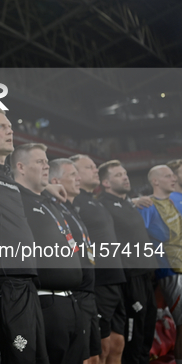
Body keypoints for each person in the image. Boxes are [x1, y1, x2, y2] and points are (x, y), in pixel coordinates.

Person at [13, 144, 84, 364]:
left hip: (72, 300)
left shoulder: (48, 202)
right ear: (21, 168)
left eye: (46, 161)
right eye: (39, 162)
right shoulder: (15, 199)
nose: (46, 166)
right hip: (45, 301)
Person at [96, 160, 157, 364]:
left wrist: (134, 200)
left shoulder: (128, 202)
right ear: (105, 182)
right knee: (134, 333)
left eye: (125, 173)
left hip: (147, 276)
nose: (125, 176)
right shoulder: (102, 205)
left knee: (148, 329)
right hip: (130, 278)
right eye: (118, 174)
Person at [71, 155, 126, 364]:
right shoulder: (74, 202)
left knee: (118, 342)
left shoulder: (96, 202)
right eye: (89, 167)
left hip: (116, 279)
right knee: (100, 348)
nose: (95, 170)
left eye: (95, 167)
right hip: (99, 280)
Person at [49, 158, 99, 364]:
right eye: (72, 175)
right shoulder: (53, 209)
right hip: (75, 293)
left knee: (95, 356)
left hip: (89, 291)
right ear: (55, 181)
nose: (78, 178)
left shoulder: (71, 208)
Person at [139, 165, 182, 363]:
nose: (172, 178)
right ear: (155, 181)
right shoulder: (147, 206)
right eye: (167, 176)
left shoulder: (175, 202)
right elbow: (139, 237)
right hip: (170, 271)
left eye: (173, 175)